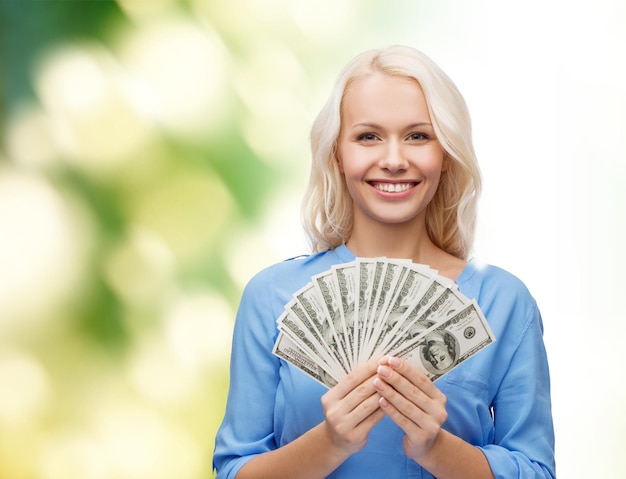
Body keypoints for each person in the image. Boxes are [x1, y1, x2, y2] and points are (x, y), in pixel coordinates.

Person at [212, 45, 555, 478]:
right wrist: (330, 442)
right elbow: (234, 471)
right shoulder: (271, 297)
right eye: (368, 136)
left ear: (446, 154)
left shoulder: (504, 302)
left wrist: (436, 447)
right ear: (337, 153)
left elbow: (537, 471)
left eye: (418, 136)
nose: (394, 160)